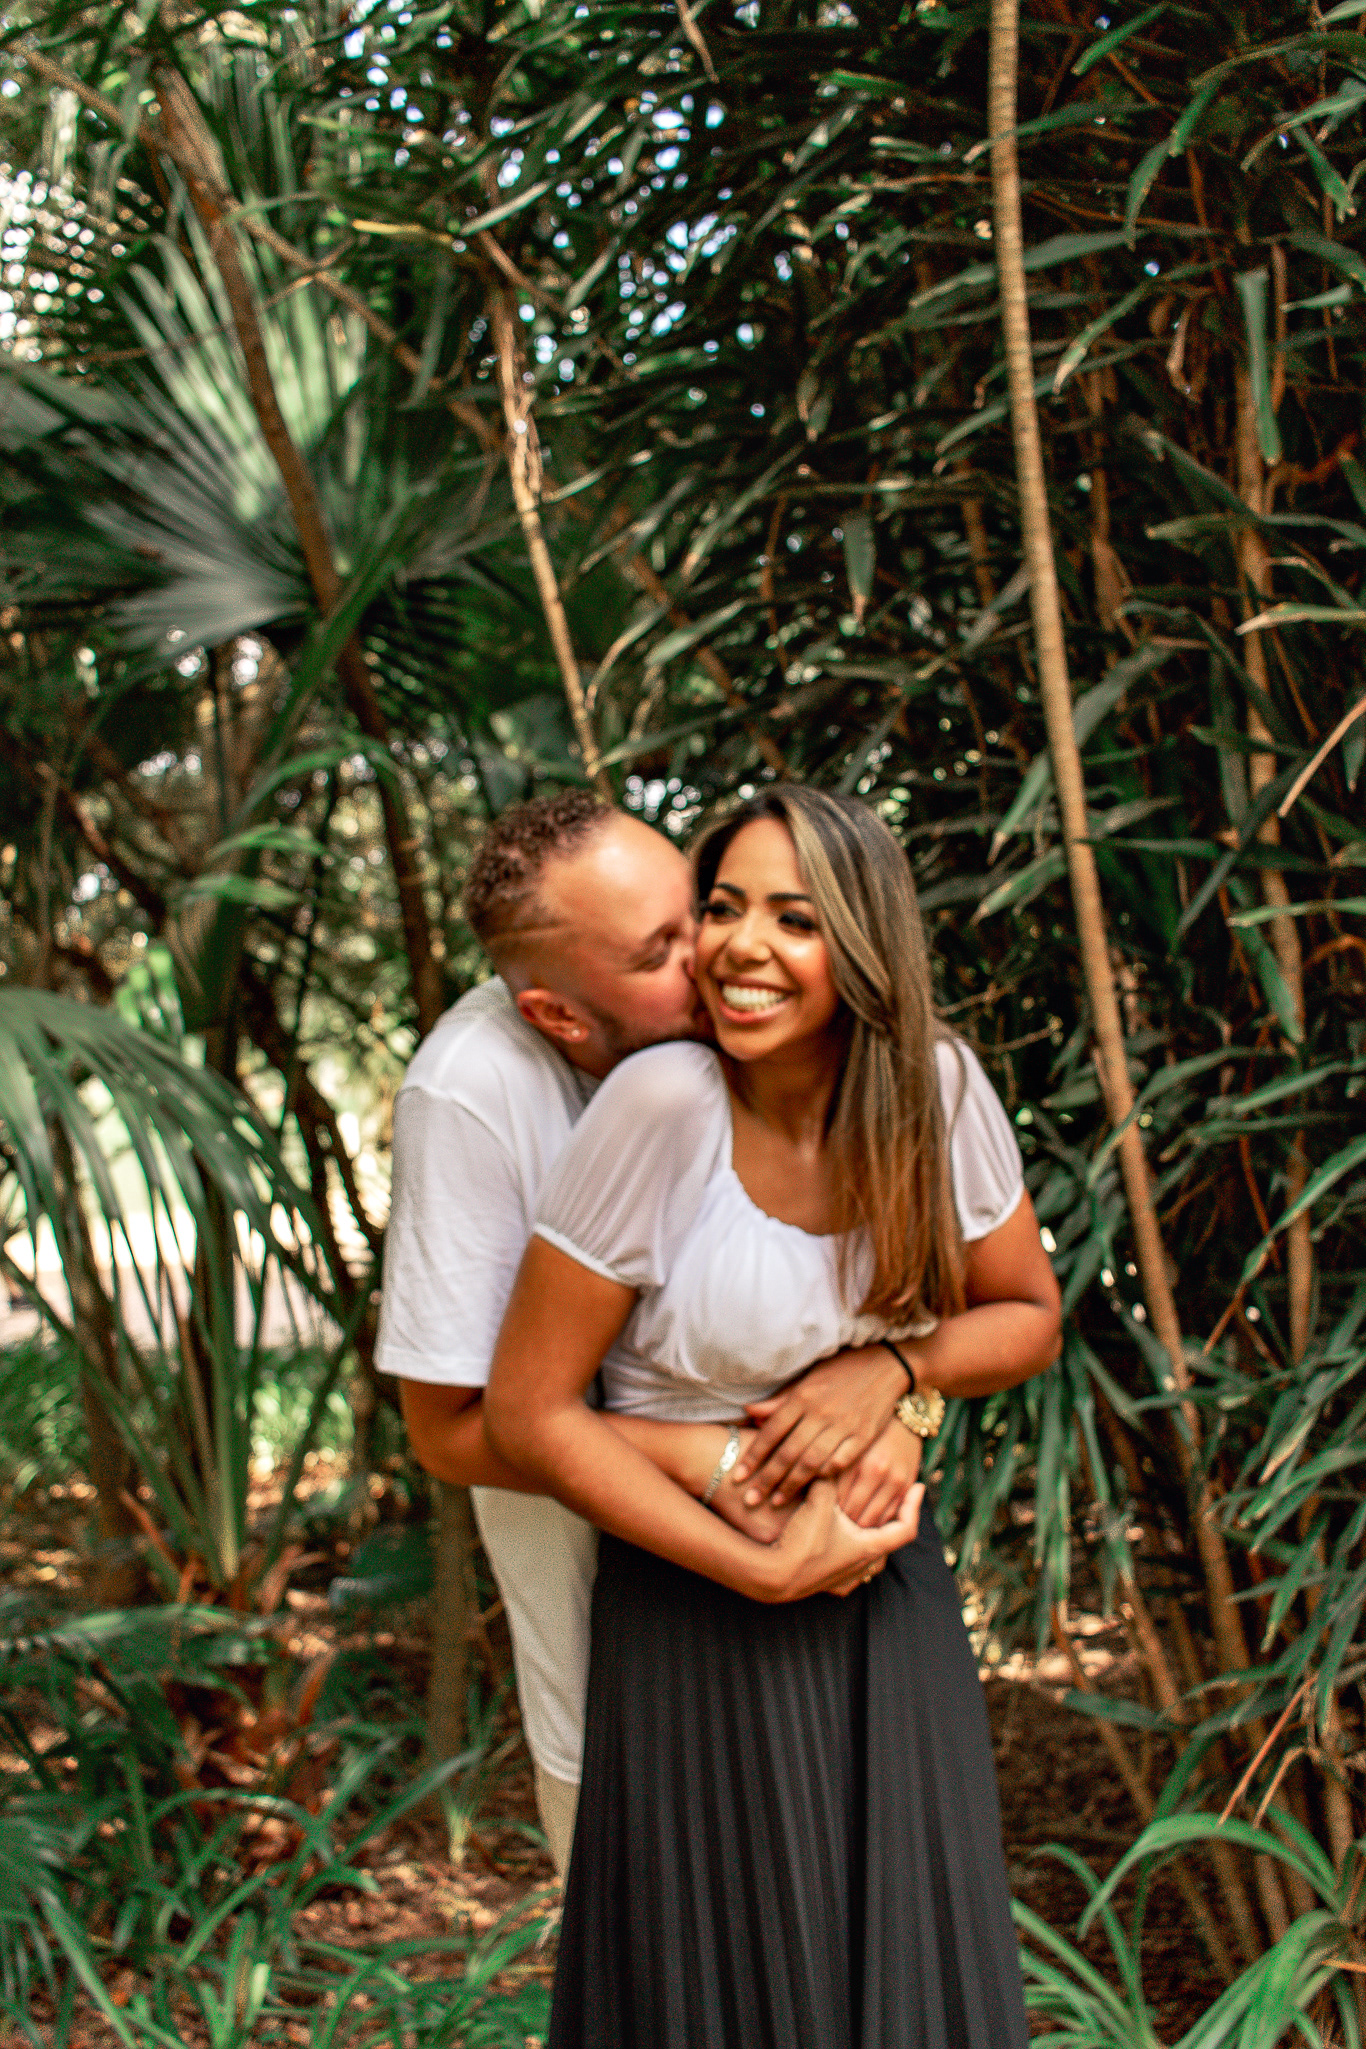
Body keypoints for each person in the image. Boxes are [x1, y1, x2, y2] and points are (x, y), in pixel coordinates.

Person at [485, 785, 1062, 2047]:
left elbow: (1026, 1315)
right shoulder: (663, 1104)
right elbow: (526, 1413)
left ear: (862, 943)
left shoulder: (935, 1089)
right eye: (724, 908)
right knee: (723, 1995)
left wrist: (896, 1370)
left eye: (794, 919)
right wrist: (757, 1570)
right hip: (694, 1608)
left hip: (886, 1601)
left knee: (910, 1985)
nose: (742, 947)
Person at [378, 790, 932, 1875]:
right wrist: (714, 1462)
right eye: (659, 953)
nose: (718, 954)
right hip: (614, 1634)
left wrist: (902, 1388)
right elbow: (447, 1431)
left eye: (703, 911)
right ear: (558, 1017)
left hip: (829, 1607)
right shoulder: (469, 1093)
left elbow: (918, 1296)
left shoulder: (769, 1036)